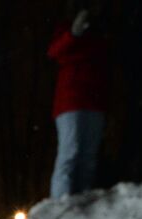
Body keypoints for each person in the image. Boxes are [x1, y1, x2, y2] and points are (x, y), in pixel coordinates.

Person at [48, 3, 110, 199]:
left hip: (95, 101)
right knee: (70, 151)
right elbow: (53, 52)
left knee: (89, 156)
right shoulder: (67, 28)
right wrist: (73, 33)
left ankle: (82, 198)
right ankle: (60, 201)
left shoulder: (100, 34)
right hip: (70, 101)